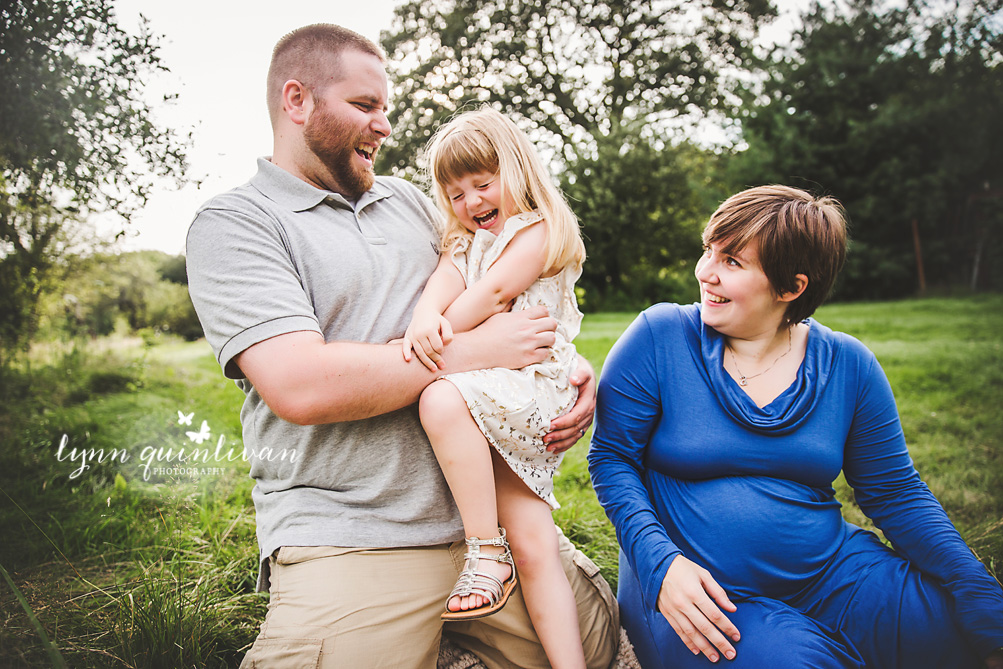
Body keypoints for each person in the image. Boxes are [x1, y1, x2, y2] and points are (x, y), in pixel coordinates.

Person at [185, 24, 619, 669]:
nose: (384, 126)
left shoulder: (416, 205)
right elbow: (301, 385)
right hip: (359, 534)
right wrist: (476, 354)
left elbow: (499, 288)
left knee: (598, 643)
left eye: (385, 108)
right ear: (297, 101)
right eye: (365, 107)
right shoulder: (237, 224)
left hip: (487, 519)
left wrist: (564, 361)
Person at [587, 185, 1003, 668]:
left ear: (791, 288)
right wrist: (661, 566)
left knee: (963, 633)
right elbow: (612, 458)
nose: (705, 272)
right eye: (709, 250)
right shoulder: (659, 337)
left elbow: (895, 492)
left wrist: (974, 586)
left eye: (733, 262)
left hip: (833, 573)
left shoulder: (849, 364)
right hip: (699, 593)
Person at [401, 107, 588, 668]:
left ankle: (484, 551)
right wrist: (422, 318)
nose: (471, 203)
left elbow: (493, 295)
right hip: (493, 391)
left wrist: (437, 333)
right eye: (455, 194)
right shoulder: (464, 241)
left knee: (437, 395)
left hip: (531, 387)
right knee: (535, 547)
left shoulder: (539, 229)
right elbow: (444, 282)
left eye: (483, 185)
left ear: (518, 171)